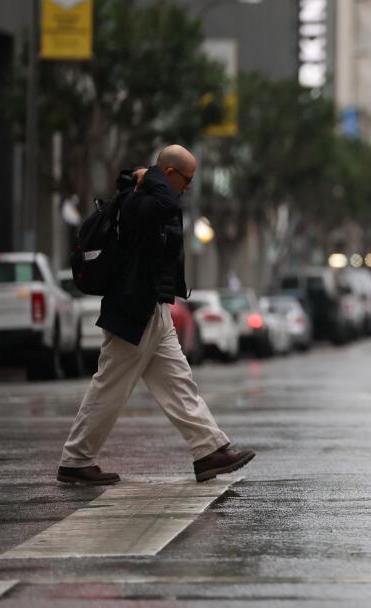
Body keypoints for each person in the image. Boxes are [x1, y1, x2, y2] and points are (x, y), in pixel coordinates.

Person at [57, 145, 255, 486]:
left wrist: (153, 177)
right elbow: (167, 203)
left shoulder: (149, 192)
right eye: (186, 179)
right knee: (110, 387)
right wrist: (152, 175)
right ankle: (75, 460)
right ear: (170, 174)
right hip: (133, 308)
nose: (188, 187)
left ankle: (209, 450)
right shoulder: (138, 199)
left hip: (153, 308)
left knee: (178, 384)